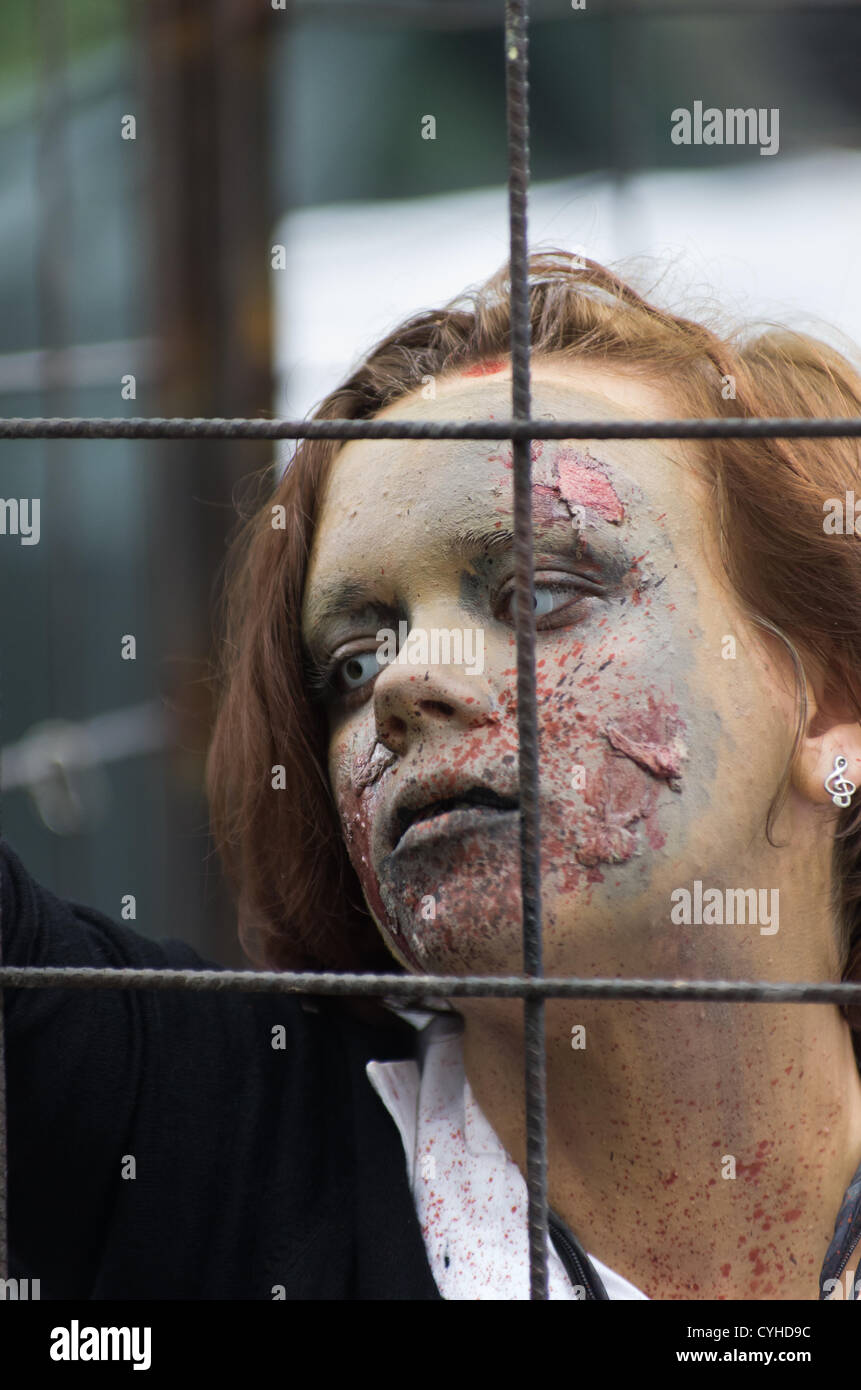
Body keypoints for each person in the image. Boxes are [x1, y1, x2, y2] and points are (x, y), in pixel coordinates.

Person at [3, 250, 861, 1300]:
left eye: (539, 593)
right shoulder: (205, 1142)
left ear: (827, 708)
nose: (406, 683)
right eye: (352, 661)